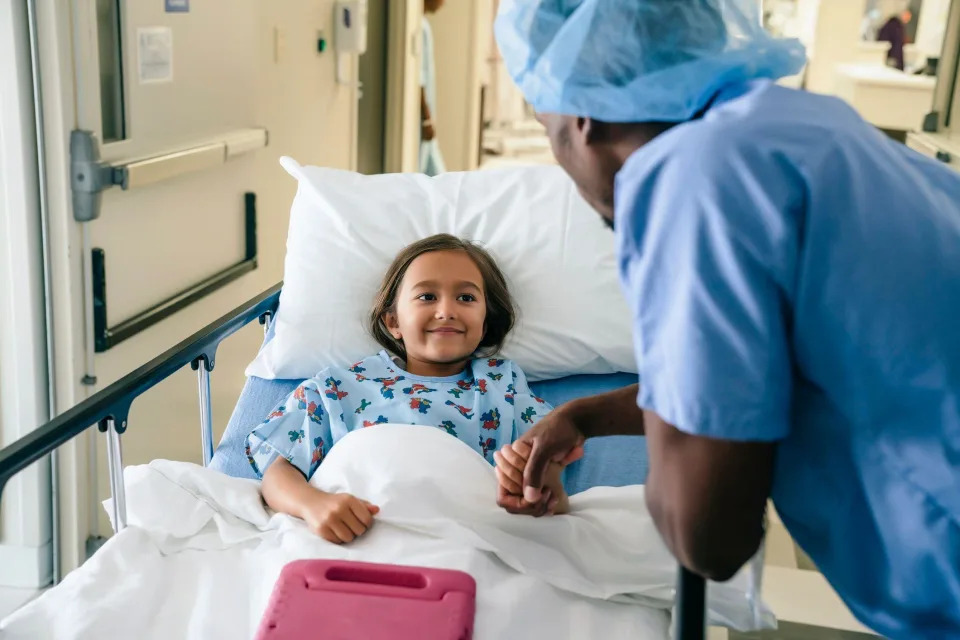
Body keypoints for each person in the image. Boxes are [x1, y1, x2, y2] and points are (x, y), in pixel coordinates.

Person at [491, 1, 960, 638]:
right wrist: (586, 415)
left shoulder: (692, 182)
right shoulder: (805, 124)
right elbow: (779, 364)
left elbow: (706, 534)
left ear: (582, 116)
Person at [245, 234, 568, 545]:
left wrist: (538, 485)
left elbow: (546, 473)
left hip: (464, 537)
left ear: (485, 324)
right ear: (393, 322)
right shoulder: (338, 389)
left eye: (466, 298)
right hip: (356, 536)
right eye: (427, 297)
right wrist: (313, 505)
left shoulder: (502, 386)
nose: (446, 311)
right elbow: (278, 471)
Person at [419, 0, 446, 176]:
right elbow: (418, 78)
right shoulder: (418, 28)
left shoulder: (424, 26)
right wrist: (426, 119)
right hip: (421, 121)